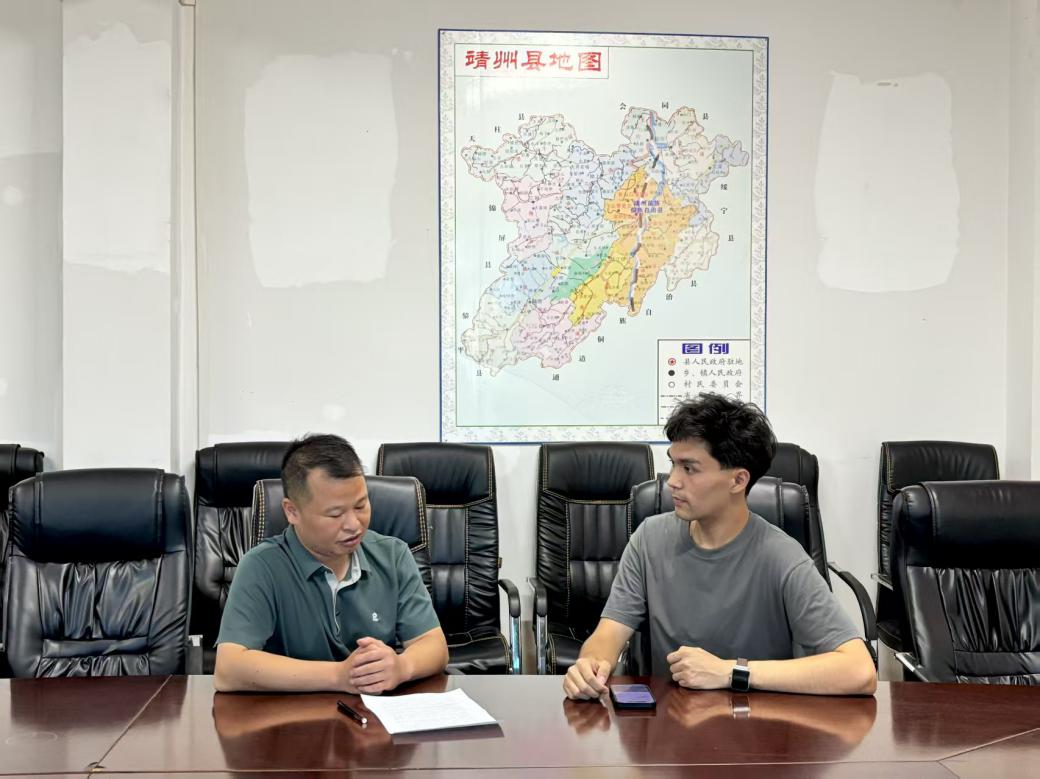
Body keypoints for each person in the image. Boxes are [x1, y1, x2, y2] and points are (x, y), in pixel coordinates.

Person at [563, 393, 877, 699]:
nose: (672, 481)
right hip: (670, 723)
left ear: (738, 481)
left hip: (760, 724)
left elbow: (859, 671)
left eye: (689, 468)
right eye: (673, 464)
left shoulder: (782, 557)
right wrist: (590, 665)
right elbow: (609, 634)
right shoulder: (649, 538)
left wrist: (730, 672)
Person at [214, 434, 448, 693]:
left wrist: (401, 666)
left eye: (361, 506)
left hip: (373, 713)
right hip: (290, 713)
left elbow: (433, 644)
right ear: (292, 511)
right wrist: (339, 676)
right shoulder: (261, 566)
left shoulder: (393, 555)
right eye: (335, 514)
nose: (354, 525)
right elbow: (228, 669)